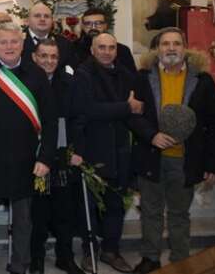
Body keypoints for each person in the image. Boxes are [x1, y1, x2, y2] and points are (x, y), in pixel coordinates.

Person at [130, 28, 215, 272]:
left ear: (185, 48)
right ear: (157, 49)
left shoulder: (203, 81)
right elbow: (132, 116)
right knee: (150, 212)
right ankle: (150, 258)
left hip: (186, 160)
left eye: (176, 43)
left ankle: (181, 261)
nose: (171, 48)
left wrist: (213, 165)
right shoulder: (142, 77)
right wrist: (152, 136)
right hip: (151, 157)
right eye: (165, 44)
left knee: (179, 214)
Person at [0, 22, 57, 274]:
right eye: (3, 42)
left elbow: (49, 120)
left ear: (23, 44)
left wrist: (45, 158)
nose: (9, 47)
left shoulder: (36, 75)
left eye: (14, 42)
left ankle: (20, 267)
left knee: (24, 222)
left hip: (26, 162)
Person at [72, 33, 143, 273]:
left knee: (116, 204)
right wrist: (125, 107)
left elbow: (137, 108)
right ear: (92, 50)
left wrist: (130, 109)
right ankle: (89, 251)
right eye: (101, 47)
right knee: (89, 206)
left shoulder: (126, 74)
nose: (106, 51)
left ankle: (111, 250)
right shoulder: (82, 74)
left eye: (111, 47)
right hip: (92, 148)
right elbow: (87, 109)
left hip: (120, 148)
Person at [28, 39, 85, 274]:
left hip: (63, 155)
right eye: (44, 56)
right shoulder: (24, 82)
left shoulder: (70, 83)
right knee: (37, 214)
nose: (49, 61)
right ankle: (37, 259)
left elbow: (80, 119)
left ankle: (65, 256)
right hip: (34, 155)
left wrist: (77, 151)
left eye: (53, 57)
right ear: (34, 57)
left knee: (64, 211)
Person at [72, 8, 136, 73]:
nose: (93, 27)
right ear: (82, 26)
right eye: (88, 23)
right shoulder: (72, 49)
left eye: (98, 23)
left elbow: (132, 79)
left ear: (105, 25)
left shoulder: (122, 50)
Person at [22, 2, 73, 69]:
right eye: (37, 16)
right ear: (28, 20)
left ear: (52, 21)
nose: (42, 19)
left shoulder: (64, 43)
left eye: (46, 16)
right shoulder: (17, 42)